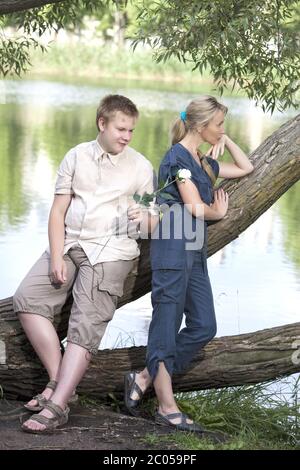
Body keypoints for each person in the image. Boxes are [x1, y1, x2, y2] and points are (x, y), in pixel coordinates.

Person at [13, 94, 156, 433]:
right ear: (102, 123)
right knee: (27, 300)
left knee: (84, 325)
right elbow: (58, 212)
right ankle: (58, 381)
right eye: (121, 129)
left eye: (131, 131)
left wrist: (145, 218)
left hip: (111, 253)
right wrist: (58, 253)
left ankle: (57, 406)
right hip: (72, 243)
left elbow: (152, 222)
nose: (126, 136)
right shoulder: (76, 156)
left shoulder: (140, 166)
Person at [124, 95, 254, 432]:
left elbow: (246, 168)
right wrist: (219, 212)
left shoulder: (202, 162)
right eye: (219, 125)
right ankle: (167, 407)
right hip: (171, 244)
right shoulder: (177, 159)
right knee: (166, 324)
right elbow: (195, 207)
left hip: (194, 249)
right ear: (200, 125)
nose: (222, 130)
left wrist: (226, 139)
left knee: (204, 325)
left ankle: (144, 376)